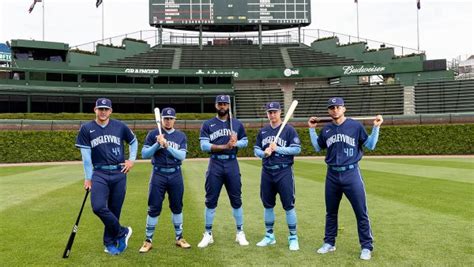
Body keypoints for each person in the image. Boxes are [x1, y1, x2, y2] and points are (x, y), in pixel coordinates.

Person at [308, 97, 383, 261]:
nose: (335, 110)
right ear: (328, 111)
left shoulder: (355, 126)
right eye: (331, 108)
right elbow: (316, 146)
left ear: (344, 109)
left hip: (351, 174)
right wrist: (312, 129)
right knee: (331, 212)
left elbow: (370, 145)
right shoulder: (326, 129)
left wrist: (376, 127)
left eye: (338, 107)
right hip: (332, 175)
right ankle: (329, 243)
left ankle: (366, 247)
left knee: (361, 212)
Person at [75, 98, 137, 255]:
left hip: (119, 172)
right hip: (99, 173)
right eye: (100, 109)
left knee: (115, 210)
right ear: (94, 110)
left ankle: (109, 243)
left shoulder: (120, 126)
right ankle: (122, 232)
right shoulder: (86, 128)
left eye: (106, 109)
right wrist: (88, 177)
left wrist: (131, 160)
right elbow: (86, 158)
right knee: (98, 207)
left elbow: (134, 141)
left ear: (111, 111)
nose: (103, 112)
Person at [197, 94, 249, 248]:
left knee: (236, 199)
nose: (222, 106)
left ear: (228, 106)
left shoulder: (236, 124)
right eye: (220, 103)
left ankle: (240, 232)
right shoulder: (208, 124)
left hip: (232, 163)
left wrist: (236, 143)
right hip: (215, 164)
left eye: (225, 104)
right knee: (211, 199)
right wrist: (224, 146)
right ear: (215, 105)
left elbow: (245, 142)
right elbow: (204, 146)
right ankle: (208, 233)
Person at [139, 107, 191, 253]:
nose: (168, 121)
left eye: (170, 118)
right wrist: (157, 144)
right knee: (154, 207)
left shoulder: (181, 135)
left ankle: (179, 237)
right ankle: (148, 240)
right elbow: (144, 154)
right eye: (165, 118)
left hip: (175, 174)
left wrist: (166, 145)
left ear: (175, 120)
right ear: (161, 119)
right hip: (158, 174)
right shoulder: (153, 134)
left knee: (177, 206)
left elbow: (181, 156)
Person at [254, 101, 302, 251]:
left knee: (289, 205)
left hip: (284, 171)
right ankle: (269, 236)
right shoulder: (263, 131)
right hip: (267, 171)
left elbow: (296, 149)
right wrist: (264, 153)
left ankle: (293, 237)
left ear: (280, 112)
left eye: (274, 111)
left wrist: (278, 149)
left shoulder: (289, 130)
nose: (272, 114)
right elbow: (256, 150)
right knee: (267, 205)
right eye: (270, 112)